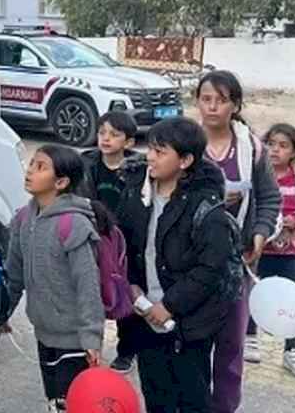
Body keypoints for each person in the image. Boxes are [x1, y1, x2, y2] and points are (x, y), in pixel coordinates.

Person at [115, 117, 234, 413]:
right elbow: (123, 246)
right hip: (144, 317)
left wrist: (169, 305)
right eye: (150, 149)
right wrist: (130, 286)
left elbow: (209, 269)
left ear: (185, 160)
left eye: (160, 151)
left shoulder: (205, 207)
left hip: (188, 325)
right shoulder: (135, 192)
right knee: (156, 397)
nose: (150, 157)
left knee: (192, 399)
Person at [194, 70, 281, 413]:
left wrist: (260, 232)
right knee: (194, 342)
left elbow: (270, 198)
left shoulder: (252, 148)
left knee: (231, 345)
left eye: (221, 100)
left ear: (235, 105)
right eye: (206, 99)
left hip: (238, 263)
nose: (212, 107)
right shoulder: (186, 143)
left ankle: (225, 407)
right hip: (193, 263)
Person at [5, 145, 106, 413]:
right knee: (55, 402)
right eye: (31, 164)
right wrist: (2, 311)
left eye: (40, 167)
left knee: (74, 404)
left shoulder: (73, 224)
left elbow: (87, 285)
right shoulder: (24, 218)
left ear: (61, 182)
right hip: (44, 333)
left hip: (74, 339)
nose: (30, 171)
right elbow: (14, 273)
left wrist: (91, 337)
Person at [244, 123, 295, 379]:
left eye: (283, 145)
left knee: (292, 298)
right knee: (256, 292)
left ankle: (292, 350)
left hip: (291, 251)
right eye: (271, 144)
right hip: (261, 248)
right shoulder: (257, 174)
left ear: (294, 151)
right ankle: (249, 337)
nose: (275, 150)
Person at [80, 110, 141, 373]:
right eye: (102, 132)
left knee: (125, 293)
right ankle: (89, 347)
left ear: (128, 143)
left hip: (127, 241)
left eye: (114, 135)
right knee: (92, 292)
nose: (106, 139)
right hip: (94, 236)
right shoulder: (86, 164)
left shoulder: (139, 170)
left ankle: (127, 350)